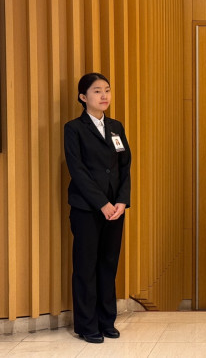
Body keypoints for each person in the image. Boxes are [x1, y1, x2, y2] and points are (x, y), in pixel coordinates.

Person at [64, 73, 131, 344]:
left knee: (108, 264)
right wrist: (102, 203)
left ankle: (106, 321)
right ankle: (87, 325)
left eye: (107, 90)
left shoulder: (116, 127)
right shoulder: (74, 128)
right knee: (86, 267)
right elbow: (77, 170)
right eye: (96, 91)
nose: (104, 96)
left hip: (115, 209)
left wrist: (121, 201)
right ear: (83, 97)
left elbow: (125, 166)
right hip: (87, 209)